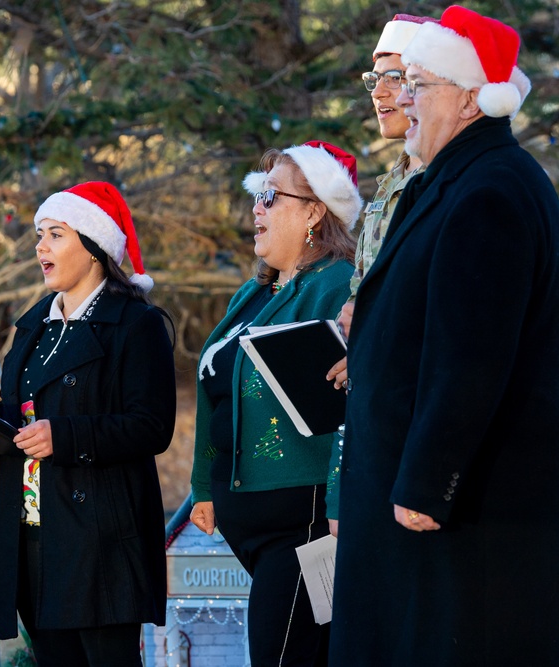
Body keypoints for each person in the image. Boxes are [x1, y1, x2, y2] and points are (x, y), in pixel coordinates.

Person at [329, 6, 559, 665]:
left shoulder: (490, 191)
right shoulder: (459, 181)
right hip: (424, 505)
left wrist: (429, 483)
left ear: (466, 98)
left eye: (417, 86)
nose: (404, 99)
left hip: (461, 517)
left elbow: (472, 357)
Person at [0, 181, 175, 667]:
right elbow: (21, 420)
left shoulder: (137, 325)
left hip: (99, 540)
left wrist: (66, 436)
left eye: (56, 233)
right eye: (39, 234)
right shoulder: (33, 325)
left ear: (94, 247)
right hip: (30, 532)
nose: (40, 246)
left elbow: (152, 426)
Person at [189, 141, 361, 666]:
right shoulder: (253, 293)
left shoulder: (339, 286)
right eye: (256, 196)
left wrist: (336, 506)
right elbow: (211, 389)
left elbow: (348, 411)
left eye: (271, 197)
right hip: (252, 526)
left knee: (284, 657)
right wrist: (203, 485)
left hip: (305, 526)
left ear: (314, 211)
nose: (256, 209)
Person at [325, 14, 432, 394]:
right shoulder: (393, 179)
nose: (379, 93)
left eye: (395, 78)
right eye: (375, 80)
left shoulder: (447, 182)